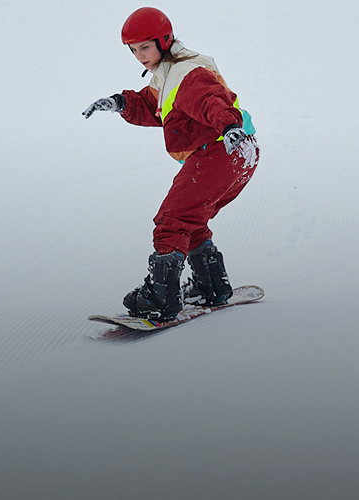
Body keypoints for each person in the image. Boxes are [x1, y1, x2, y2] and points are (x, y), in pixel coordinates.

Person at [83, 7, 259, 321]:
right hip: (239, 150)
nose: (139, 56)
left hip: (222, 147)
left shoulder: (187, 74)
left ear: (164, 41)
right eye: (133, 50)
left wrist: (228, 125)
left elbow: (210, 99)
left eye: (144, 47)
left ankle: (160, 297)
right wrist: (120, 102)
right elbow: (152, 105)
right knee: (192, 219)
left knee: (172, 220)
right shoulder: (169, 74)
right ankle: (210, 286)